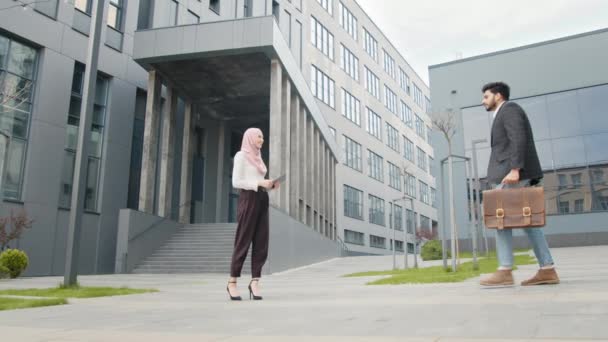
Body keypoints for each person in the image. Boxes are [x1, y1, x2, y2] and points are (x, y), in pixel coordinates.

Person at [479, 82, 559, 287]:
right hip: (510, 172)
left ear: (498, 96)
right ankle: (547, 269)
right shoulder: (503, 112)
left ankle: (505, 270)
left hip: (512, 173)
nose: (483, 101)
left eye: (486, 96)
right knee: (528, 219)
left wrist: (515, 169)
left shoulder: (509, 109)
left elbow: (518, 138)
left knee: (501, 217)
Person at [227, 128, 279, 300]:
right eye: (259, 136)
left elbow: (258, 180)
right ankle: (232, 282)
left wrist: (269, 185)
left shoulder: (258, 157)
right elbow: (236, 182)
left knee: (261, 242)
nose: (262, 139)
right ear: (249, 137)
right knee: (243, 240)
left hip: (262, 199)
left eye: (263, 137)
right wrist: (259, 182)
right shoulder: (241, 155)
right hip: (248, 199)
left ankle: (255, 281)